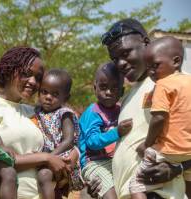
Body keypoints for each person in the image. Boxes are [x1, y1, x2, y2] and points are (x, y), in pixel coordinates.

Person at [101, 18, 191, 199]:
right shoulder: (127, 96)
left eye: (126, 53)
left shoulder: (177, 83)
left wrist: (179, 167)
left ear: (147, 43)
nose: (120, 64)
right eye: (115, 59)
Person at [0, 46, 77, 199]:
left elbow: (65, 140)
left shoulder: (36, 112)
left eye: (38, 77)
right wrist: (47, 158)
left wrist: (74, 155)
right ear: (9, 70)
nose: (33, 82)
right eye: (26, 74)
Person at [129, 36, 191, 198]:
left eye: (155, 66)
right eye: (148, 68)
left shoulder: (163, 84)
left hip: (168, 151)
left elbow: (159, 118)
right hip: (189, 153)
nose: (151, 72)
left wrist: (146, 144)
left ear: (176, 61)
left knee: (135, 185)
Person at [79, 62, 133, 199]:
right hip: (93, 162)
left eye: (114, 88)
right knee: (111, 195)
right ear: (95, 88)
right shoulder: (93, 112)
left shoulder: (121, 109)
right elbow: (92, 141)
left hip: (112, 160)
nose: (108, 92)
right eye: (103, 87)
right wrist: (117, 132)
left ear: (121, 91)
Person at [30, 68, 84, 198]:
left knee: (44, 175)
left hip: (62, 156)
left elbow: (68, 140)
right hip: (47, 157)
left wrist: (49, 157)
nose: (48, 97)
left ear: (66, 97)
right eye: (44, 92)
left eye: (55, 94)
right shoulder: (37, 112)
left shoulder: (64, 114)